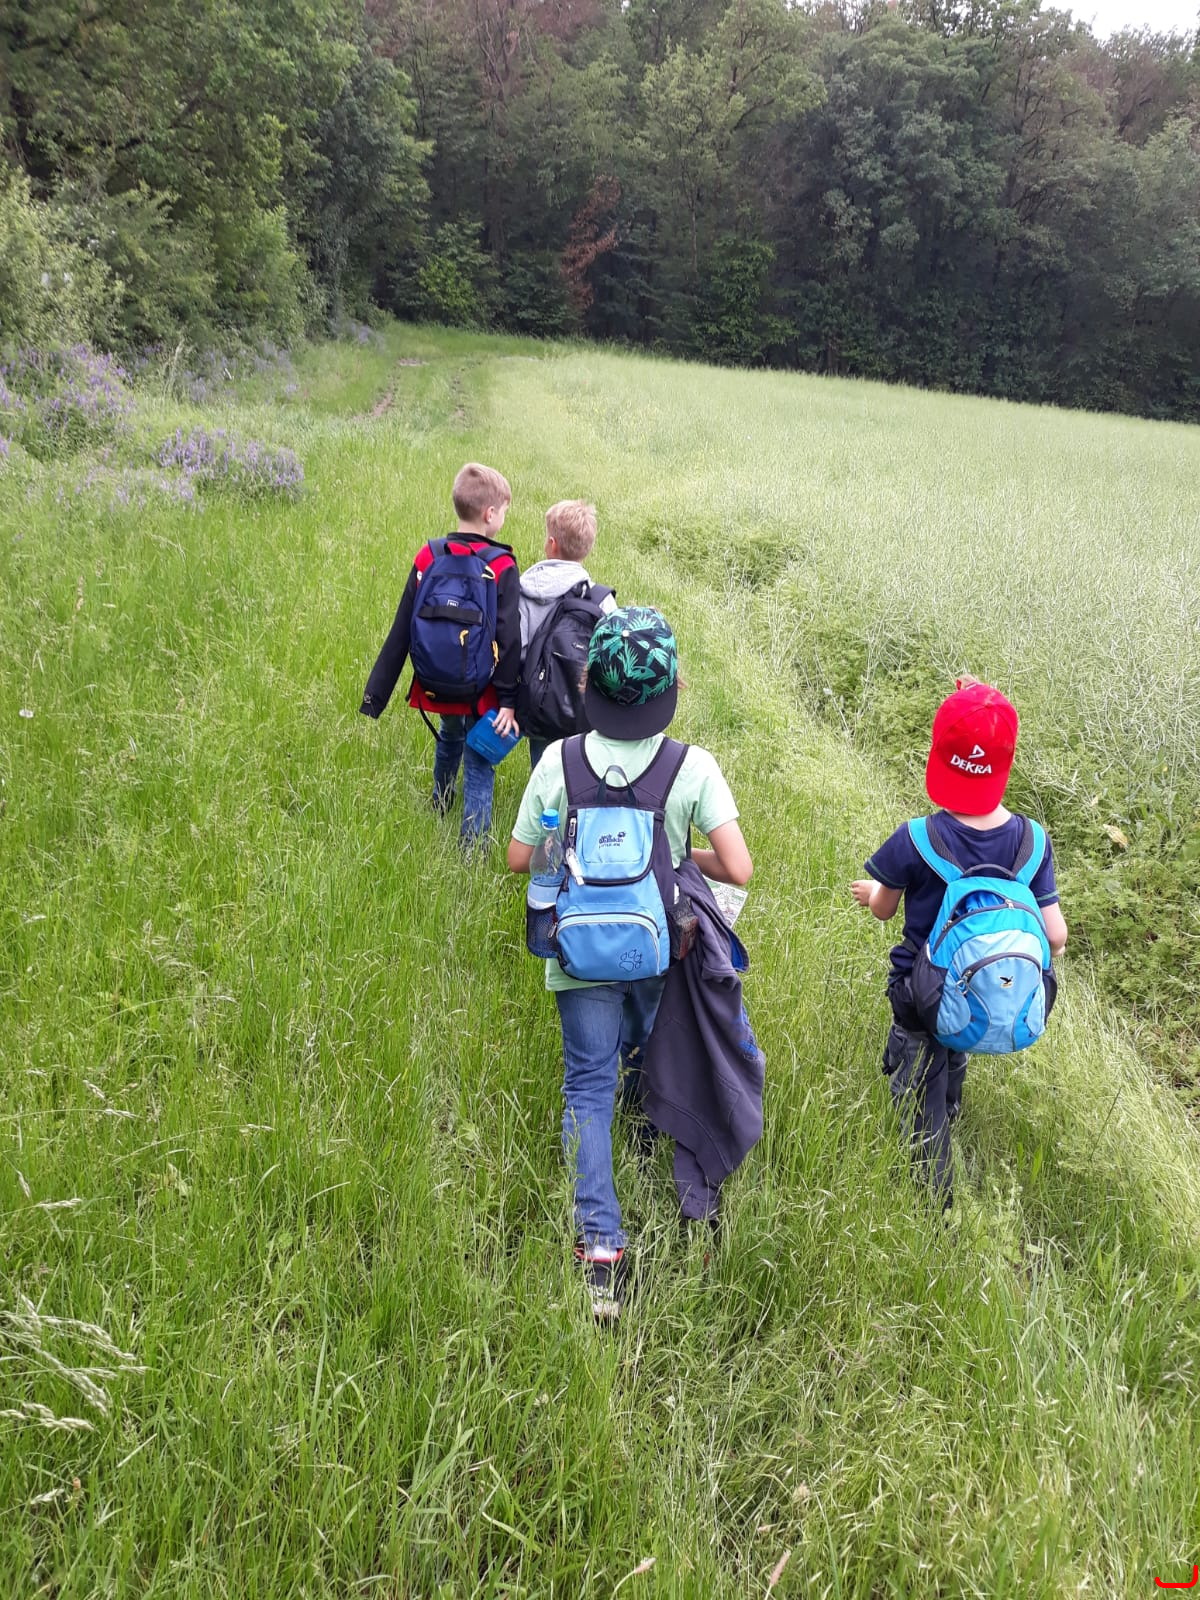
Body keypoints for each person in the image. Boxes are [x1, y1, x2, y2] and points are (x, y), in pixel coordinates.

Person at [507, 606, 753, 1320]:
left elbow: (521, 858)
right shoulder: (691, 765)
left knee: (587, 1083)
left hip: (578, 953)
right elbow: (738, 868)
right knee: (646, 1049)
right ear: (672, 686)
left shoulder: (559, 760)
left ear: (588, 683)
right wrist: (674, 855)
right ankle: (652, 1144)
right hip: (658, 950)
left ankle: (599, 1251)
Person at [851, 678, 1068, 1210]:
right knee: (955, 1041)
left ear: (938, 759)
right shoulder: (1032, 842)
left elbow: (883, 909)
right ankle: (949, 1106)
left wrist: (872, 892)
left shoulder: (916, 838)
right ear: (1005, 767)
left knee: (916, 1078)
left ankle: (934, 1203)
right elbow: (1056, 937)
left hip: (919, 991)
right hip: (988, 988)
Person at [359, 463, 519, 848]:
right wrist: (509, 701)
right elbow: (509, 639)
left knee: (450, 736)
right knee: (479, 759)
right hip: (482, 687)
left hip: (437, 680)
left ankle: (441, 802)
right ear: (490, 514)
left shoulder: (428, 556)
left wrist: (374, 697)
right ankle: (473, 849)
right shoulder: (501, 566)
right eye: (504, 510)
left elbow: (401, 629)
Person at [517, 499, 617, 770]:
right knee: (580, 772)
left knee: (543, 768)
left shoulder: (526, 590)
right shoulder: (601, 600)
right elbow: (610, 656)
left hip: (540, 705)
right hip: (584, 709)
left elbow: (519, 648)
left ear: (551, 544)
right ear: (588, 548)